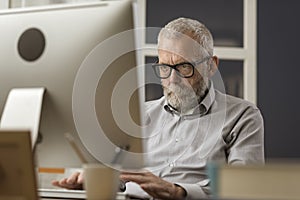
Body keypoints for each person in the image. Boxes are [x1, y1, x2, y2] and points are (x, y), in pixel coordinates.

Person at [52, 17, 264, 199]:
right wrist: (94, 181)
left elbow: (245, 190)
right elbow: (120, 180)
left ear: (211, 66)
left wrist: (178, 191)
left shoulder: (243, 116)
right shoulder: (139, 115)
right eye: (164, 67)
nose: (172, 79)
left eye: (184, 67)